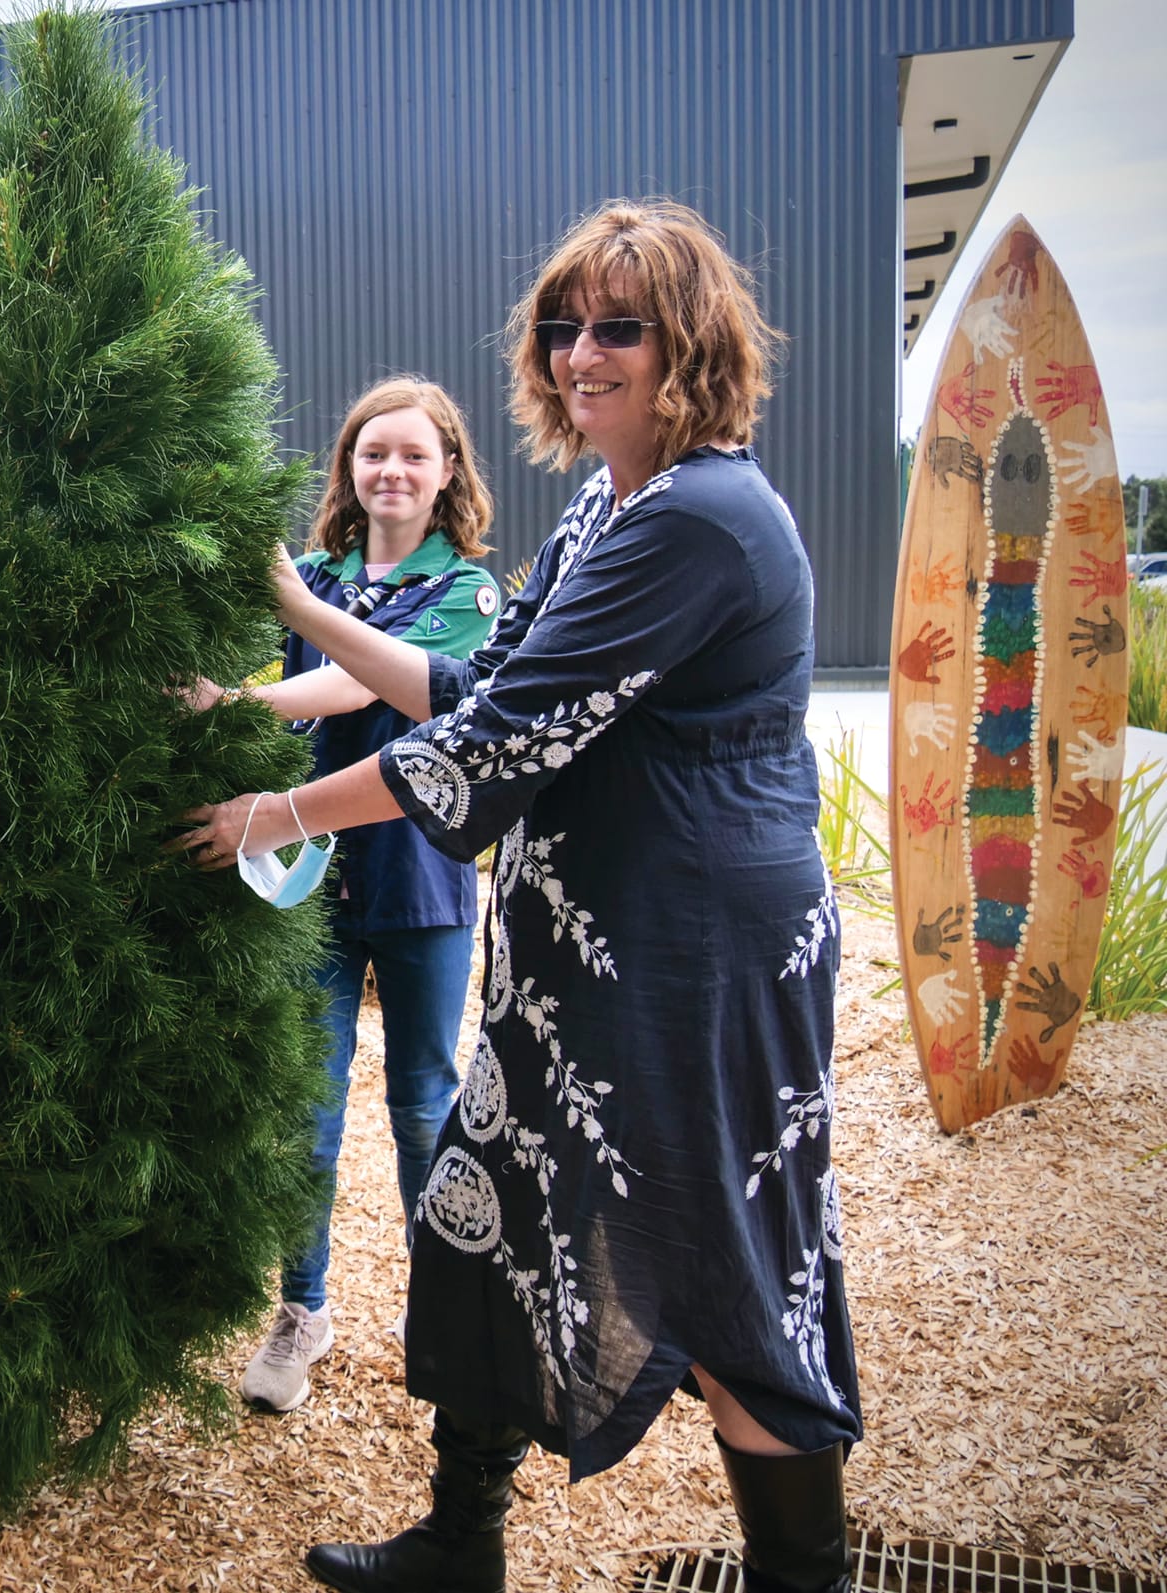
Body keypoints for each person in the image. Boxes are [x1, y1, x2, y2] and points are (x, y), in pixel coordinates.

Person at [181, 199, 860, 1593]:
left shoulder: (705, 519)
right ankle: (460, 1541)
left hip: (692, 964)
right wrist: (297, 607)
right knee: (479, 1212)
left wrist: (281, 812)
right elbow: (481, 690)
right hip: (584, 960)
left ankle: (808, 1578)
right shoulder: (615, 506)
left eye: (622, 326)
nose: (582, 353)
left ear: (695, 344)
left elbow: (489, 747)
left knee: (728, 1275)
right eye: (565, 326)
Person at [191, 378, 500, 1413]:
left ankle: (442, 1308)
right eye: (373, 454)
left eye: (414, 455)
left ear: (447, 471)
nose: (391, 472)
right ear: (348, 470)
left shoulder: (468, 593)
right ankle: (300, 1313)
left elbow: (359, 686)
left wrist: (232, 696)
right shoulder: (309, 572)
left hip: (419, 879)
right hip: (308, 887)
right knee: (304, 1117)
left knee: (422, 1104)